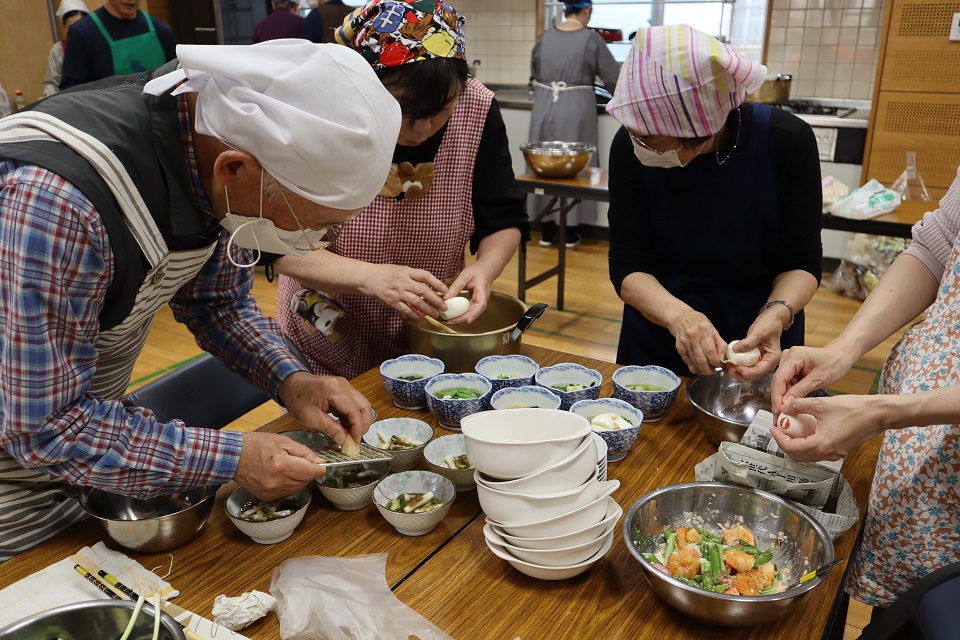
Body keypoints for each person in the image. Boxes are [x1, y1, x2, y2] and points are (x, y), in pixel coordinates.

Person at [0, 40, 401, 562]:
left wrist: (291, 378)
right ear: (234, 170)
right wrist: (231, 455)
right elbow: (43, 425)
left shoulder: (203, 149)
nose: (322, 241)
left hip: (90, 440)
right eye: (316, 223)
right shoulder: (54, 206)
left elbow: (218, 305)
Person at [270, 0, 530, 380]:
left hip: (429, 334)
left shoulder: (477, 108)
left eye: (440, 111)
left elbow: (504, 218)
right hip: (325, 329)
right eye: (405, 112)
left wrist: (485, 270)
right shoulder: (325, 110)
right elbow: (272, 244)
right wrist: (372, 277)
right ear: (364, 86)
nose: (421, 130)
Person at [770, 167, 960, 618]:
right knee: (901, 616)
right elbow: (938, 245)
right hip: (920, 461)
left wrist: (883, 412)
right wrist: (842, 349)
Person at [604, 25, 823, 377]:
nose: (650, 149)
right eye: (640, 136)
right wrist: (681, 318)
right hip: (660, 331)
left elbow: (802, 262)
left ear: (706, 128)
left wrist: (777, 313)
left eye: (673, 143)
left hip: (759, 336)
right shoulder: (631, 146)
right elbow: (628, 266)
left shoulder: (786, 141)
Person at [528, 0, 619, 248]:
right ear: (587, 10)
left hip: (545, 102)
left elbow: (535, 70)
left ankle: (545, 229)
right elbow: (613, 77)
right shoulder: (591, 39)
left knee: (543, 163)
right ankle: (568, 231)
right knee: (575, 166)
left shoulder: (544, 36)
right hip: (577, 104)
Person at [60, 0, 176, 90]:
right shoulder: (82, 34)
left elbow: (177, 79)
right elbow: (71, 90)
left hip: (160, 118)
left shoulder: (161, 30)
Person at [42, 0, 90, 97]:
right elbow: (51, 83)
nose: (77, 30)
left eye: (80, 24)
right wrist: (49, 96)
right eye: (70, 27)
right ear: (65, 27)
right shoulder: (58, 50)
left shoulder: (99, 43)